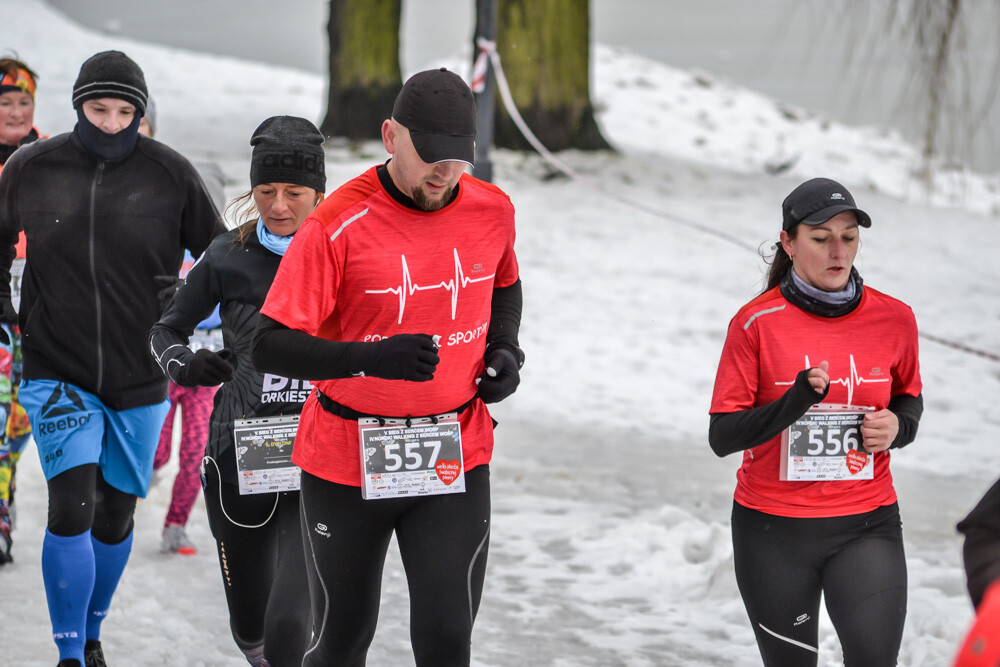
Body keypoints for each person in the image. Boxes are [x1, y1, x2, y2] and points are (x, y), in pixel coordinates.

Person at [251, 68, 524, 666]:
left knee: (448, 638)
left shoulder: (492, 209)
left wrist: (506, 347)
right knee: (345, 638)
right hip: (346, 457)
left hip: (451, 447)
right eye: (430, 155)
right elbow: (269, 346)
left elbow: (504, 284)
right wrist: (369, 358)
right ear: (390, 136)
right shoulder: (334, 225)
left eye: (458, 158)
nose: (444, 173)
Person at [0, 50, 223, 667]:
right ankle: (69, 653)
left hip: (140, 371)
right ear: (78, 106)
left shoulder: (170, 174)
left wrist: (194, 325)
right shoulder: (31, 167)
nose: (111, 122)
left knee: (116, 515)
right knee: (70, 506)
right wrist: (7, 315)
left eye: (125, 111)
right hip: (57, 368)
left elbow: (220, 260)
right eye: (99, 109)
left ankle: (93, 631)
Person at [708, 177, 924, 666]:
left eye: (848, 237)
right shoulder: (755, 324)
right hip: (774, 534)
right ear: (788, 242)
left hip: (865, 525)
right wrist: (797, 400)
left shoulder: (894, 319)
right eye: (821, 237)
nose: (838, 251)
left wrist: (898, 428)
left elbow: (909, 399)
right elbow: (723, 436)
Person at [150, 115, 326, 666]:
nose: (278, 205)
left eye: (294, 192)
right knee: (251, 627)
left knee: (292, 621)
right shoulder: (227, 254)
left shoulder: (342, 252)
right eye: (265, 191)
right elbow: (165, 330)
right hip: (237, 455)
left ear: (319, 192)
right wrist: (185, 365)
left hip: (319, 455)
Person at [138, 96, 224, 556]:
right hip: (165, 367)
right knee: (158, 447)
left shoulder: (228, 256)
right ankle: (147, 469)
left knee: (195, 452)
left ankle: (176, 525)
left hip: (207, 370)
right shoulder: (168, 248)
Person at [0, 55, 40, 565]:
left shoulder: (51, 156)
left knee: (18, 428)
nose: (14, 110)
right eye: (5, 102)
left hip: (41, 319)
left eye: (22, 101)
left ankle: (4, 501)